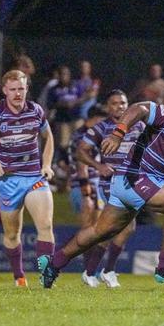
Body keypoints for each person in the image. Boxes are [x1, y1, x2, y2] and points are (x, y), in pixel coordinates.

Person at [38, 98, 164, 288]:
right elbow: (140, 108)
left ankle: (54, 265)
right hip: (134, 175)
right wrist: (118, 133)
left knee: (99, 232)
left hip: (135, 183)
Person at [0, 69, 55, 287]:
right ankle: (19, 276)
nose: (18, 93)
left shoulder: (35, 110)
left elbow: (48, 136)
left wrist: (46, 164)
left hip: (34, 176)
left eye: (21, 89)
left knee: (45, 225)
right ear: (5, 90)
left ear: (27, 89)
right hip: (8, 180)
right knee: (12, 233)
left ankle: (46, 276)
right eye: (13, 89)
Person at [77, 89, 145, 288]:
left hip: (133, 183)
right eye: (115, 103)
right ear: (108, 107)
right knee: (125, 227)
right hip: (111, 183)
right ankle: (106, 271)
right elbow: (81, 151)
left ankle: (92, 272)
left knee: (112, 230)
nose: (120, 107)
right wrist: (99, 166)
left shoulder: (139, 126)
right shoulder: (101, 128)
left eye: (123, 103)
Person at [68, 105, 107, 287]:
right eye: (100, 120)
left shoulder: (91, 135)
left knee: (96, 230)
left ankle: (92, 271)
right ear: (92, 119)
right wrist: (86, 192)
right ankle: (88, 271)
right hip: (84, 187)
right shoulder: (82, 136)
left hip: (94, 186)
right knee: (88, 230)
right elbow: (81, 162)